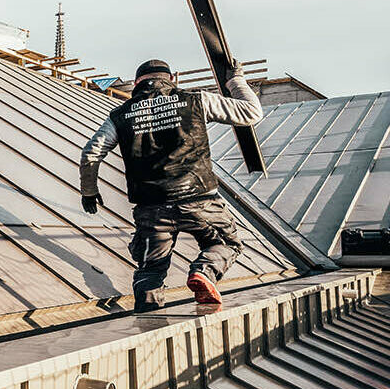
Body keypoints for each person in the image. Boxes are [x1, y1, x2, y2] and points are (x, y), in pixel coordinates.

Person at [78, 59, 263, 312]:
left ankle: (147, 317)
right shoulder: (196, 100)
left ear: (136, 83)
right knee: (226, 244)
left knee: (151, 268)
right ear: (171, 79)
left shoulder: (120, 116)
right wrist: (235, 80)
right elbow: (251, 112)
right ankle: (204, 273)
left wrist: (89, 191)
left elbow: (91, 154)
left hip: (151, 207)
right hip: (199, 199)